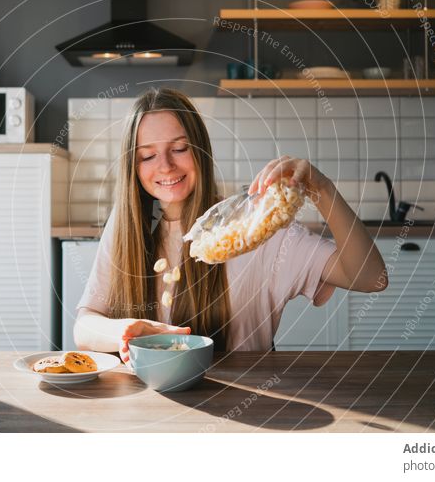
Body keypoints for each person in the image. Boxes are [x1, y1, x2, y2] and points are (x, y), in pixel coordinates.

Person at [73, 87, 387, 363]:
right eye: (147, 155)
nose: (165, 165)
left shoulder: (257, 229)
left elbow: (373, 279)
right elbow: (85, 325)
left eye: (179, 149)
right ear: (133, 165)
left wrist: (322, 187)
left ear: (200, 150)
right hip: (149, 401)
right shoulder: (126, 225)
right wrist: (121, 332)